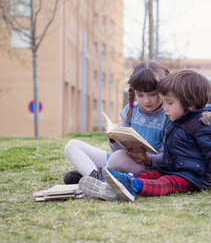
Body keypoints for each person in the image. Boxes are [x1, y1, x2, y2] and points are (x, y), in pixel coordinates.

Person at [101, 70, 211, 202]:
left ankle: (133, 185)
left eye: (169, 103)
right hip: (172, 169)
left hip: (193, 176)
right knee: (149, 175)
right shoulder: (178, 122)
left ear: (190, 104)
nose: (164, 107)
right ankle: (116, 185)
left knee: (166, 183)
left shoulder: (205, 126)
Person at [64, 60, 171, 200]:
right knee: (72, 146)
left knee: (117, 159)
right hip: (121, 158)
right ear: (134, 93)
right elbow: (117, 149)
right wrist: (114, 138)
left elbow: (167, 156)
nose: (146, 101)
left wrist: (147, 158)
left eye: (152, 94)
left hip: (144, 165)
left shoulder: (168, 114)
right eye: (140, 95)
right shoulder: (131, 110)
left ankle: (92, 176)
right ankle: (99, 180)